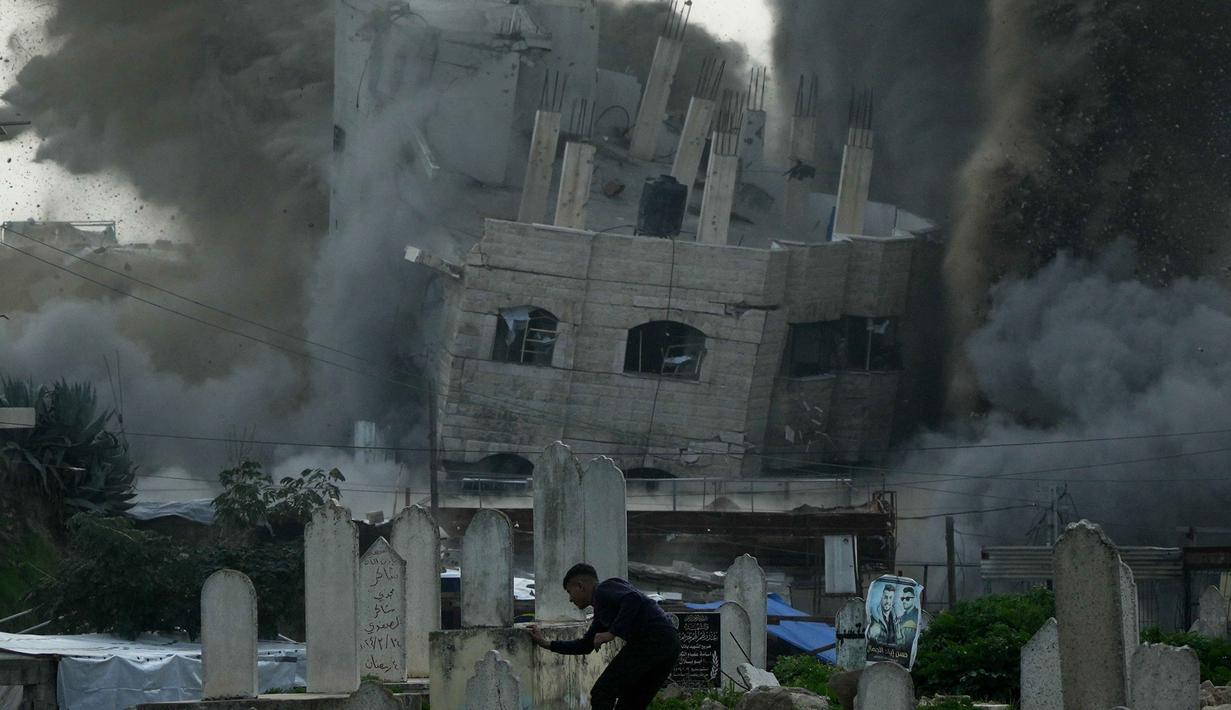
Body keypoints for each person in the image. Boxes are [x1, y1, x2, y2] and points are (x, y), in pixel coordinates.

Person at [527, 563, 680, 710]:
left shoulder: (603, 590)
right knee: (630, 704)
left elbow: (633, 599)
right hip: (669, 645)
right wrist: (545, 643)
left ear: (581, 586)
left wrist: (612, 633)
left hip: (654, 638)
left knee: (602, 692)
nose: (570, 599)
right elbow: (585, 646)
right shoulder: (601, 613)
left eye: (569, 592)